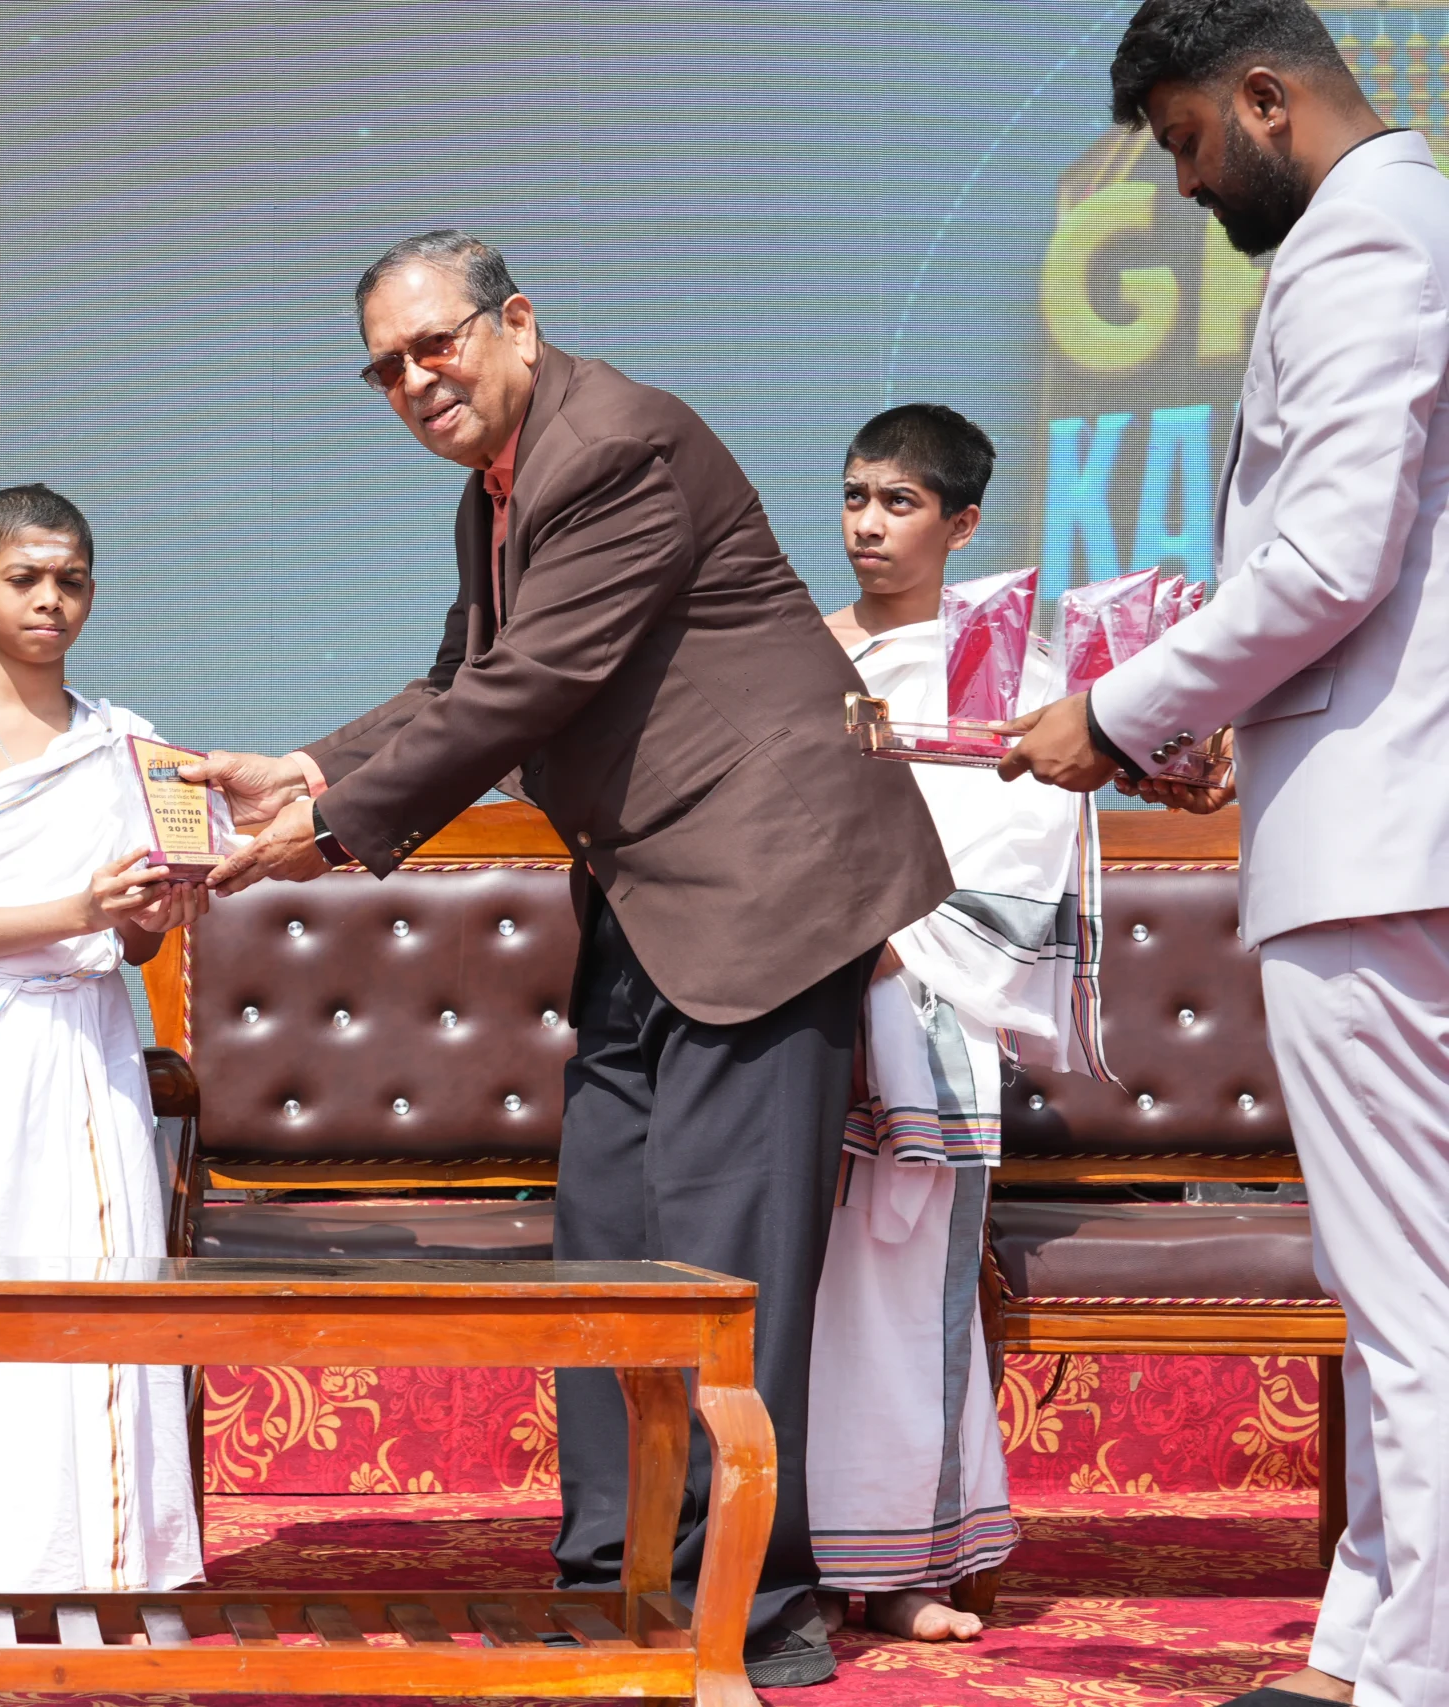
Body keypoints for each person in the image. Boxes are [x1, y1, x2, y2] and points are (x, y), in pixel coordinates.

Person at [192, 230, 952, 1687]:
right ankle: (613, 1577)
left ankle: (741, 1606)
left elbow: (533, 686)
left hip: (766, 891)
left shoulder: (614, 446)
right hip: (649, 902)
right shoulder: (496, 490)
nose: (416, 381)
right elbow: (464, 675)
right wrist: (304, 764)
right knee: (605, 1242)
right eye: (385, 368)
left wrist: (332, 830)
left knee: (724, 1272)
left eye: (436, 345)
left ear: (517, 323)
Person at [1003, 5, 1449, 1703]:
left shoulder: (1364, 239)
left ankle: (1406, 1670)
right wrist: (1225, 719)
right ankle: (1366, 1642)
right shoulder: (1412, 226)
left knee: (1405, 1287)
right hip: (1387, 808)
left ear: (1267, 96)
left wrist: (1117, 713)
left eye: (1190, 142)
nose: (1186, 186)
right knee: (1403, 1277)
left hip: (1381, 841)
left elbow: (1331, 557)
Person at [809, 406, 1105, 1644]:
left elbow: (1025, 842)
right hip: (792, 1001)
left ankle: (905, 1565)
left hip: (920, 1005)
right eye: (855, 496)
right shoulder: (796, 651)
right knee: (785, 1290)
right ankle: (774, 1560)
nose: (868, 525)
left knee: (905, 1296)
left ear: (963, 522)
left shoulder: (1010, 674)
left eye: (900, 502)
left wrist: (887, 945)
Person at [0, 482, 207, 1595]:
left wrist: (154, 914)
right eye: (23, 578)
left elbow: (134, 943)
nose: (48, 601)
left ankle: (119, 1573)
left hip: (92, 1045)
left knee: (107, 1292)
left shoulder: (128, 745)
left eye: (70, 581)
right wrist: (84, 907)